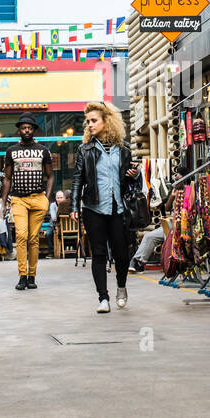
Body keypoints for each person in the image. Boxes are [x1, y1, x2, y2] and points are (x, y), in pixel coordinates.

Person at [71, 101, 139, 314]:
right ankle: (103, 298)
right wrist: (74, 205)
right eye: (88, 121)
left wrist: (134, 176)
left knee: (121, 253)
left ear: (106, 121)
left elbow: (130, 181)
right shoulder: (85, 150)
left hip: (118, 209)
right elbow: (77, 179)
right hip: (93, 208)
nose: (89, 125)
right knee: (99, 253)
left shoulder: (124, 149)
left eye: (94, 120)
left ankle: (121, 287)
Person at [2, 112, 53, 290]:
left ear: (34, 130)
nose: (26, 130)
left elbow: (50, 176)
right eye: (24, 127)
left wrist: (46, 197)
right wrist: (3, 204)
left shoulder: (43, 150)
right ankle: (22, 275)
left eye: (30, 128)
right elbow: (7, 179)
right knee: (21, 236)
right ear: (19, 130)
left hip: (38, 198)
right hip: (19, 199)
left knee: (33, 238)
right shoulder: (11, 151)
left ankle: (32, 276)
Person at [130, 190, 174, 272]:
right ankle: (138, 261)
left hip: (182, 227)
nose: (176, 178)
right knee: (149, 236)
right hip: (171, 224)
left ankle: (170, 265)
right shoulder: (175, 191)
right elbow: (167, 208)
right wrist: (172, 195)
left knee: (167, 236)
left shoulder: (190, 191)